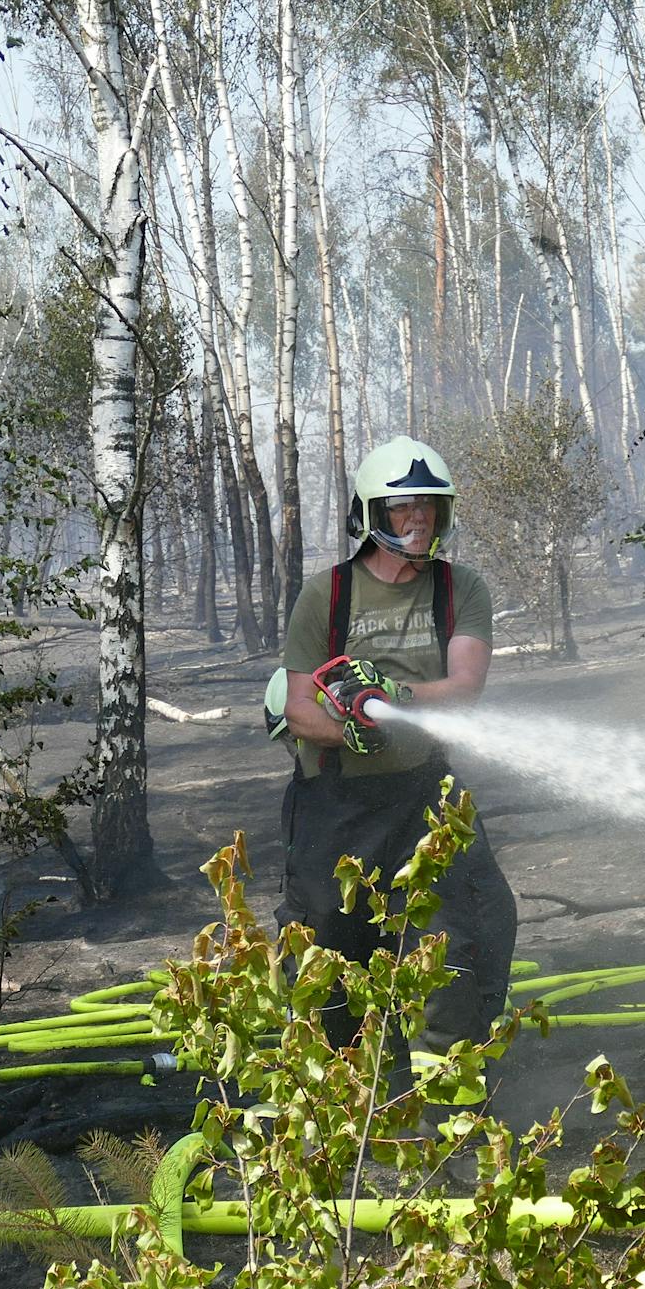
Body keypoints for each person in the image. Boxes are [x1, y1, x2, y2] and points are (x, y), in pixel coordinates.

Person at [265, 436, 516, 1062]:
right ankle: (344, 1103)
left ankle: (447, 1102)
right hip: (336, 803)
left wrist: (396, 695)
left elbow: (465, 691)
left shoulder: (461, 590)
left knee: (465, 936)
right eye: (403, 508)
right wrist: (348, 729)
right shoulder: (326, 595)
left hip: (425, 796)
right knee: (326, 949)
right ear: (370, 515)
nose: (418, 521)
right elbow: (298, 708)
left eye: (429, 508)